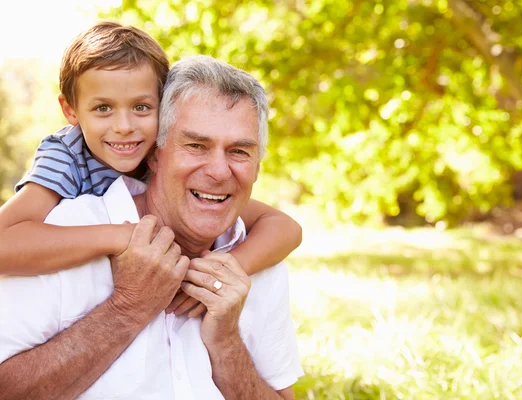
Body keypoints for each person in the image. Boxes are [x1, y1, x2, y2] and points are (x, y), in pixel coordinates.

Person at [0, 54, 303, 399]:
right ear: (154, 153)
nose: (219, 172)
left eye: (239, 151)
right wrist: (127, 309)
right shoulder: (61, 233)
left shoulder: (257, 256)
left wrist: (227, 344)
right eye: (195, 146)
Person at [0, 21, 301, 317]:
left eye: (141, 107)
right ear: (70, 110)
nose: (124, 127)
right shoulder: (67, 156)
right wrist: (120, 237)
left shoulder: (155, 152)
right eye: (103, 108)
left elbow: (286, 228)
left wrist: (223, 272)